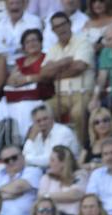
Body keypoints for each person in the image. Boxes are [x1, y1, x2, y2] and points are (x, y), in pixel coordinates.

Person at [0, 28, 54, 142]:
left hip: (39, 95)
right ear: (23, 47)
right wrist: (13, 80)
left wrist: (26, 79)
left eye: (34, 40)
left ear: (41, 42)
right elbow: (10, 80)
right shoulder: (20, 61)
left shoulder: (47, 58)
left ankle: (23, 141)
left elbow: (45, 76)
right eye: (28, 42)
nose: (32, 44)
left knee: (24, 108)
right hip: (19, 94)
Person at [40, 11, 95, 143]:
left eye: (63, 24)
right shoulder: (53, 49)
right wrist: (63, 62)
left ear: (69, 24)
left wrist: (55, 73)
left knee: (77, 113)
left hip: (82, 93)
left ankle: (82, 148)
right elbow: (43, 74)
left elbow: (79, 67)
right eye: (57, 27)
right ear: (53, 30)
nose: (61, 29)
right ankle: (50, 147)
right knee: (42, 111)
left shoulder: (83, 42)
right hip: (60, 96)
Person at [38, 145, 88, 215]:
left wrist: (47, 196)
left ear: (63, 163)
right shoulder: (47, 177)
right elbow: (40, 199)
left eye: (53, 160)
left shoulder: (79, 175)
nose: (49, 163)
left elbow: (75, 194)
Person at [0, 146, 41, 215]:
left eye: (14, 158)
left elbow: (19, 187)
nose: (11, 162)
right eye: (6, 160)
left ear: (22, 157)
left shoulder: (33, 170)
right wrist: (10, 194)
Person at [22, 104, 80, 170]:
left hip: (66, 171)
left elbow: (51, 160)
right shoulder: (37, 134)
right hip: (44, 171)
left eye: (45, 119)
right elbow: (25, 154)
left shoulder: (63, 132)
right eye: (38, 121)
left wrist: (26, 159)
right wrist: (31, 139)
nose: (42, 123)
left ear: (52, 118)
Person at [0, 0, 41, 67]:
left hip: (28, 62)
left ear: (24, 5)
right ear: (6, 6)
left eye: (17, 3)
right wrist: (17, 49)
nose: (14, 6)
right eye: (11, 3)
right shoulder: (1, 24)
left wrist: (6, 47)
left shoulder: (34, 21)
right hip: (5, 63)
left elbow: (33, 45)